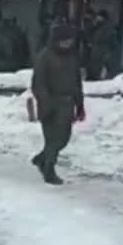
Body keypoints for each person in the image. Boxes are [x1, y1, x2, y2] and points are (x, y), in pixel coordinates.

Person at [30, 23, 85, 185]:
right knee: (53, 140)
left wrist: (80, 104)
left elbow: (76, 82)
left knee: (63, 139)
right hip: (51, 104)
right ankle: (49, 170)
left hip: (67, 104)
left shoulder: (72, 57)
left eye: (70, 41)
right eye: (65, 41)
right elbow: (38, 84)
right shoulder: (45, 57)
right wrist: (47, 103)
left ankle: (42, 158)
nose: (68, 44)